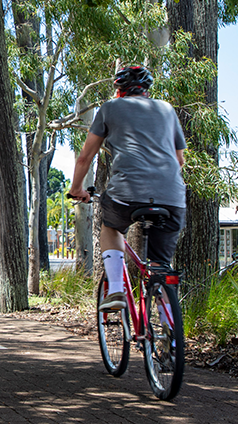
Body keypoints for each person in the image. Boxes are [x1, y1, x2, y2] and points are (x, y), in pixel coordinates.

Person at [69, 66, 187, 311]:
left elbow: (84, 158)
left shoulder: (110, 108)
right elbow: (179, 161)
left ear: (119, 89)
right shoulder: (167, 109)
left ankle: (115, 290)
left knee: (111, 226)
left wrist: (77, 189)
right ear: (146, 89)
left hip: (127, 191)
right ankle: (170, 337)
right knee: (160, 268)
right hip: (173, 195)